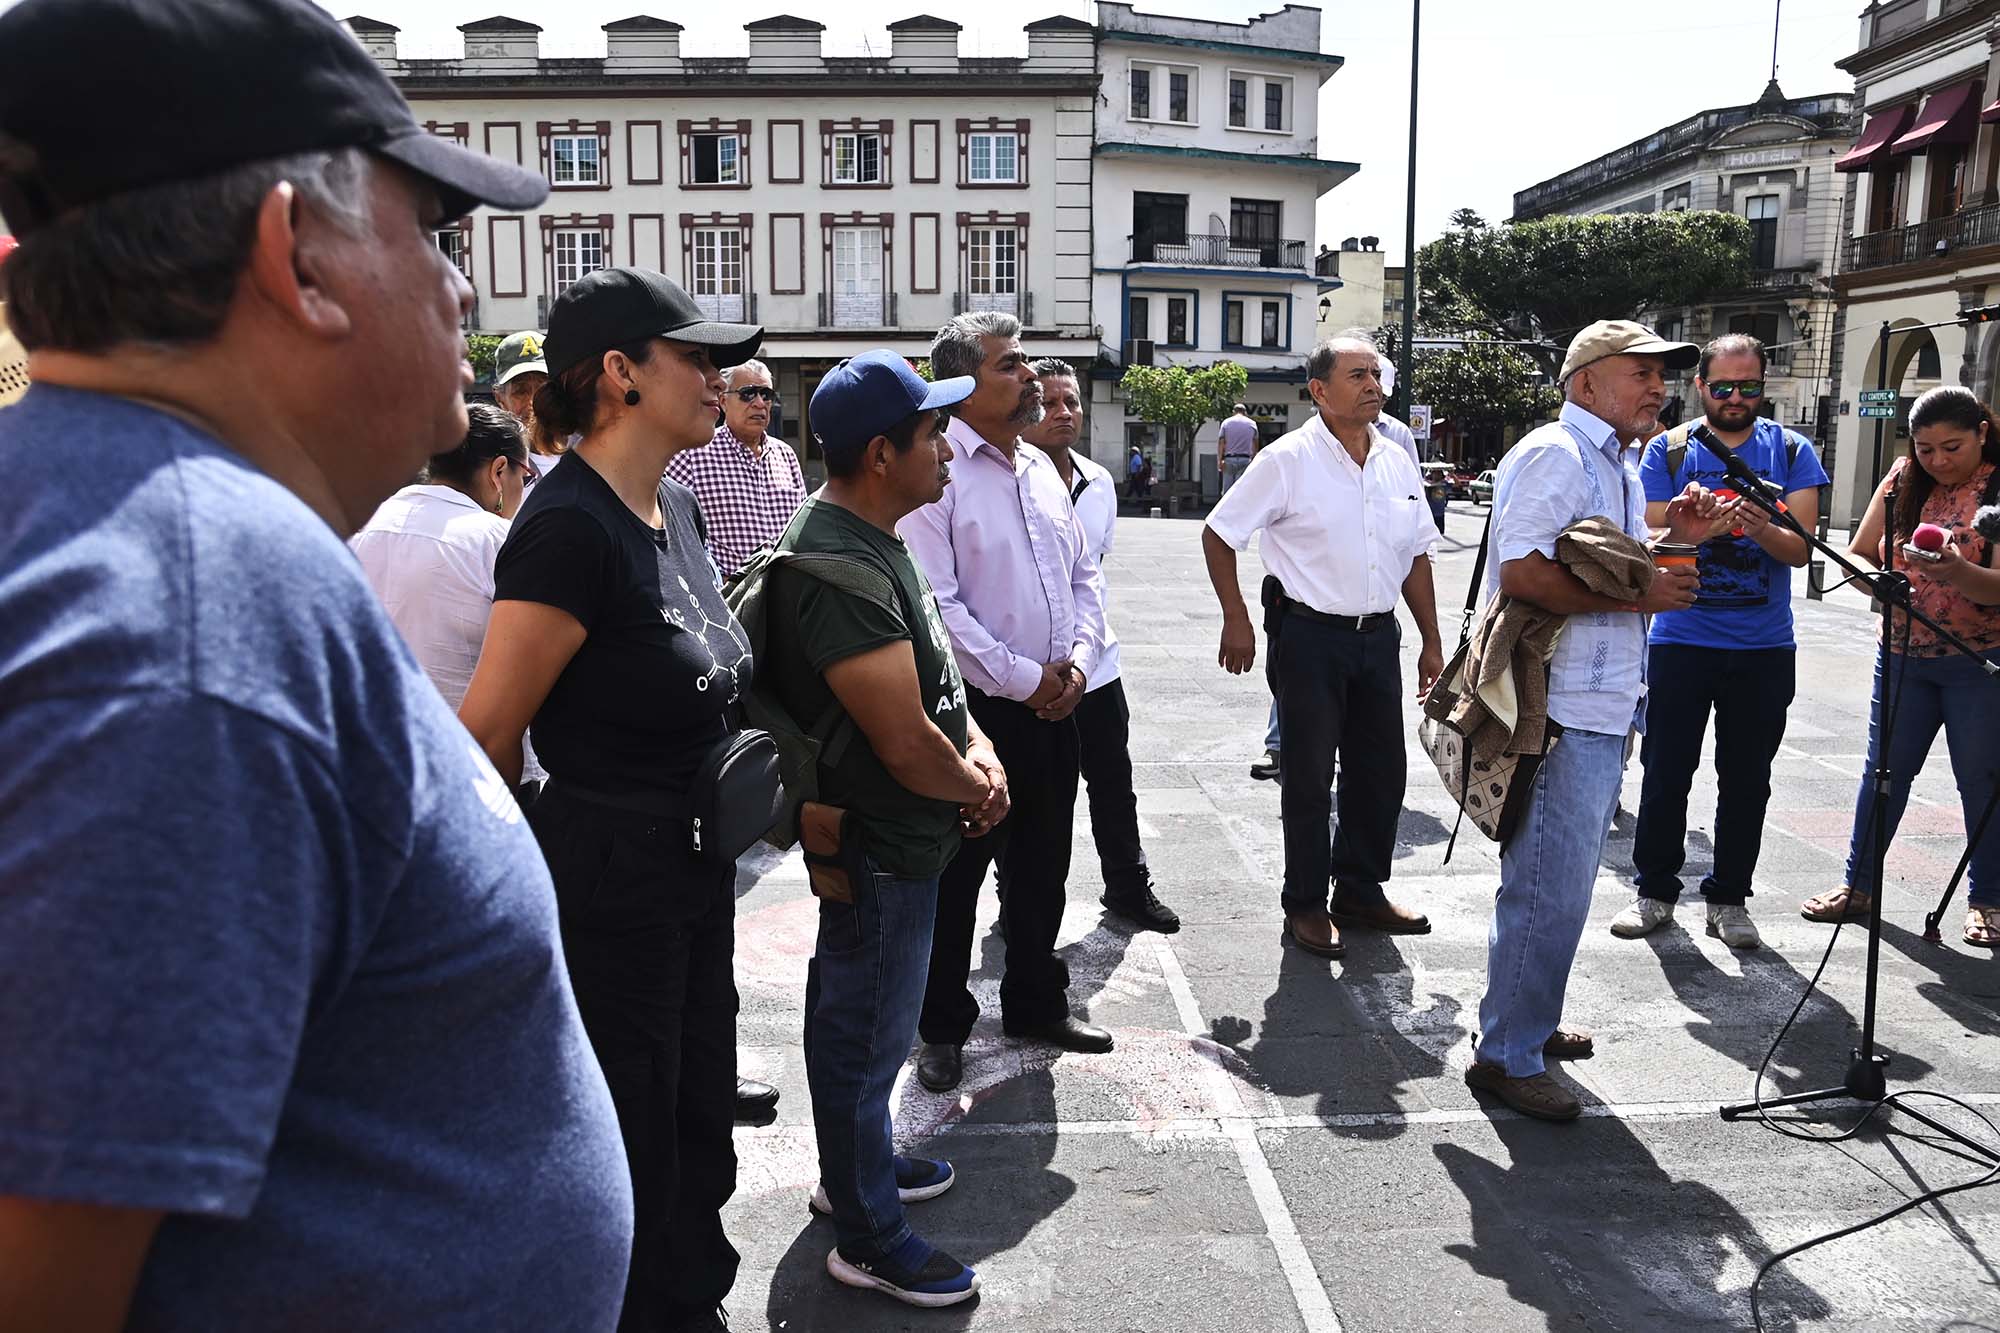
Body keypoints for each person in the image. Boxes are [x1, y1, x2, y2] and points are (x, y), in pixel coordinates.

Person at [0, 0, 632, 1329]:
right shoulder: (197, 621)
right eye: (432, 233)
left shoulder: (144, 527)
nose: (462, 288)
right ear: (298, 256)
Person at [458, 266, 762, 1332]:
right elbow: (486, 736)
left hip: (695, 871)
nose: (717, 375)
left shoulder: (675, 503)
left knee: (697, 1120)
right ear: (622, 375)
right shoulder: (566, 529)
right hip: (611, 881)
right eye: (696, 355)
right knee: (634, 1135)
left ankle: (693, 1303)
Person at [764, 350, 998, 1308]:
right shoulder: (838, 563)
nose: (945, 446)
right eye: (931, 431)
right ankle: (865, 1232)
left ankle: (856, 1168)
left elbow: (938, 682)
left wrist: (980, 746)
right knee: (864, 1038)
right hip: (880, 840)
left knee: (872, 1026)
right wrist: (976, 789)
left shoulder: (878, 534)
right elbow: (902, 740)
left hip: (908, 836)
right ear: (877, 452)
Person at [1464, 320, 1719, 1122]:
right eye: (1639, 372)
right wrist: (1643, 594)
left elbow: (1599, 551)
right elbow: (1524, 569)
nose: (1657, 387)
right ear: (1585, 384)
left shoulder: (1616, 460)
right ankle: (1506, 1054)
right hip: (1561, 706)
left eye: (1660, 374)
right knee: (1547, 888)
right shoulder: (1556, 453)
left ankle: (1525, 1027)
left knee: (1563, 887)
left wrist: (1671, 535)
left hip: (1602, 703)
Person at [901, 311, 1112, 1095]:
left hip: (1058, 707)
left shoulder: (1038, 469)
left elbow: (1084, 578)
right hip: (976, 719)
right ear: (961, 384)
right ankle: (942, 1027)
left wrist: (1080, 666)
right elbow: (938, 607)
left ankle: (1033, 1001)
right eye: (1010, 366)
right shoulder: (937, 470)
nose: (1029, 377)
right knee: (956, 883)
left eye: (1026, 364)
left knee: (1043, 868)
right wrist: (1027, 679)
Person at [1203, 335, 1445, 960]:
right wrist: (1236, 617)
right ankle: (1305, 903)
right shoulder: (1287, 459)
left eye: (1377, 374)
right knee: (1308, 776)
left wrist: (1431, 642)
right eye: (1358, 375)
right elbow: (1220, 532)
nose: (1374, 385)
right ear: (1319, 391)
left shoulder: (1395, 459)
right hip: (1309, 636)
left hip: (1377, 637)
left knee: (1381, 771)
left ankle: (1360, 889)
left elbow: (1416, 553)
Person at [1613, 334, 1828, 950]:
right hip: (1682, 638)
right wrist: (1694, 527)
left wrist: (1762, 526)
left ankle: (1730, 898)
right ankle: (1654, 890)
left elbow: (1801, 549)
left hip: (1763, 647)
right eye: (1724, 386)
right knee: (1665, 770)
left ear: (1765, 386)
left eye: (1751, 387)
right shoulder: (1669, 451)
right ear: (1701, 387)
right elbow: (1646, 542)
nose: (1737, 398)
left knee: (1747, 778)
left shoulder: (1790, 450)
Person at [1800, 385, 2000, 949]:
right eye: (1925, 448)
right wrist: (1879, 582)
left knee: (1982, 783)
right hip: (1902, 655)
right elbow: (1862, 550)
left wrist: (1954, 570)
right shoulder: (1903, 478)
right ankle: (1858, 885)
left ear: (1982, 432)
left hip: (1980, 659)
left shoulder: (1998, 489)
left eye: (1951, 447)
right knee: (1884, 774)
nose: (1936, 461)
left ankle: (1989, 899)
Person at [1021, 358, 1181, 932]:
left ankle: (1128, 887)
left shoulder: (1098, 482)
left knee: (1113, 782)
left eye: (1073, 403)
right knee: (1036, 798)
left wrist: (1085, 655)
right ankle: (1020, 903)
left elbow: (1090, 573)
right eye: (1050, 403)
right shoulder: (1004, 479)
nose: (1064, 413)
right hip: (1028, 670)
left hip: (1096, 664)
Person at [349, 402, 546, 796]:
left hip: (376, 766)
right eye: (526, 476)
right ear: (499, 471)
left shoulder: (362, 526)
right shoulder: (498, 541)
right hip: (479, 778)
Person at [667, 357, 808, 579]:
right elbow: (671, 533)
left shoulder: (786, 455)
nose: (760, 403)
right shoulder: (693, 454)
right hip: (726, 597)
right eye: (748, 393)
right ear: (723, 401)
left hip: (783, 597)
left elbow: (801, 531)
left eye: (766, 395)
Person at [492, 327, 564, 470]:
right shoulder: (497, 469)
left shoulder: (588, 452)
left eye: (543, 387)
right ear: (500, 398)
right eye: (520, 391)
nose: (532, 402)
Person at [1218, 402, 1257, 496]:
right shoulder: (1252, 424)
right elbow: (1255, 443)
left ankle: (1227, 510)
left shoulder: (1226, 423)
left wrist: (1220, 460)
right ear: (1245, 412)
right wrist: (1254, 459)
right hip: (1245, 459)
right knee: (1242, 490)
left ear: (1233, 412)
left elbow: (1221, 442)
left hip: (1229, 459)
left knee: (1227, 491)